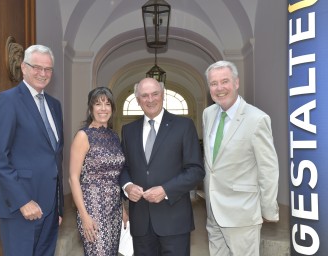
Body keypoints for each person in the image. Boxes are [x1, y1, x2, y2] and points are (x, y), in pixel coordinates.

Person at [0, 44, 64, 256]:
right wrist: (23, 201)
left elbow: (56, 157)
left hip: (49, 209)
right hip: (21, 206)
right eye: (36, 67)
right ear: (23, 67)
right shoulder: (8, 100)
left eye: (48, 69)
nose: (43, 73)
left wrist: (58, 207)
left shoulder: (54, 105)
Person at [120, 77, 205, 256]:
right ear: (138, 100)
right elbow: (124, 167)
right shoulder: (128, 130)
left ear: (163, 95)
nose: (150, 99)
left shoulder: (184, 126)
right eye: (144, 96)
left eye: (155, 94)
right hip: (141, 221)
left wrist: (166, 190)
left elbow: (196, 170)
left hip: (174, 220)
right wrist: (127, 186)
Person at [202, 60, 279, 255]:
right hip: (213, 212)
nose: (219, 88)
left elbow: (268, 169)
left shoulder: (257, 119)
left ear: (236, 83)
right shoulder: (208, 114)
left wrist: (268, 209)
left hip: (242, 214)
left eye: (225, 81)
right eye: (213, 83)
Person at [69, 87, 127, 255]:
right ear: (90, 108)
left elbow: (116, 177)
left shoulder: (114, 136)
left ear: (113, 109)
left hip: (115, 209)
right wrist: (84, 216)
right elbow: (73, 178)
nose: (103, 108)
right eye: (98, 104)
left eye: (107, 104)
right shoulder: (83, 136)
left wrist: (122, 209)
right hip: (92, 209)